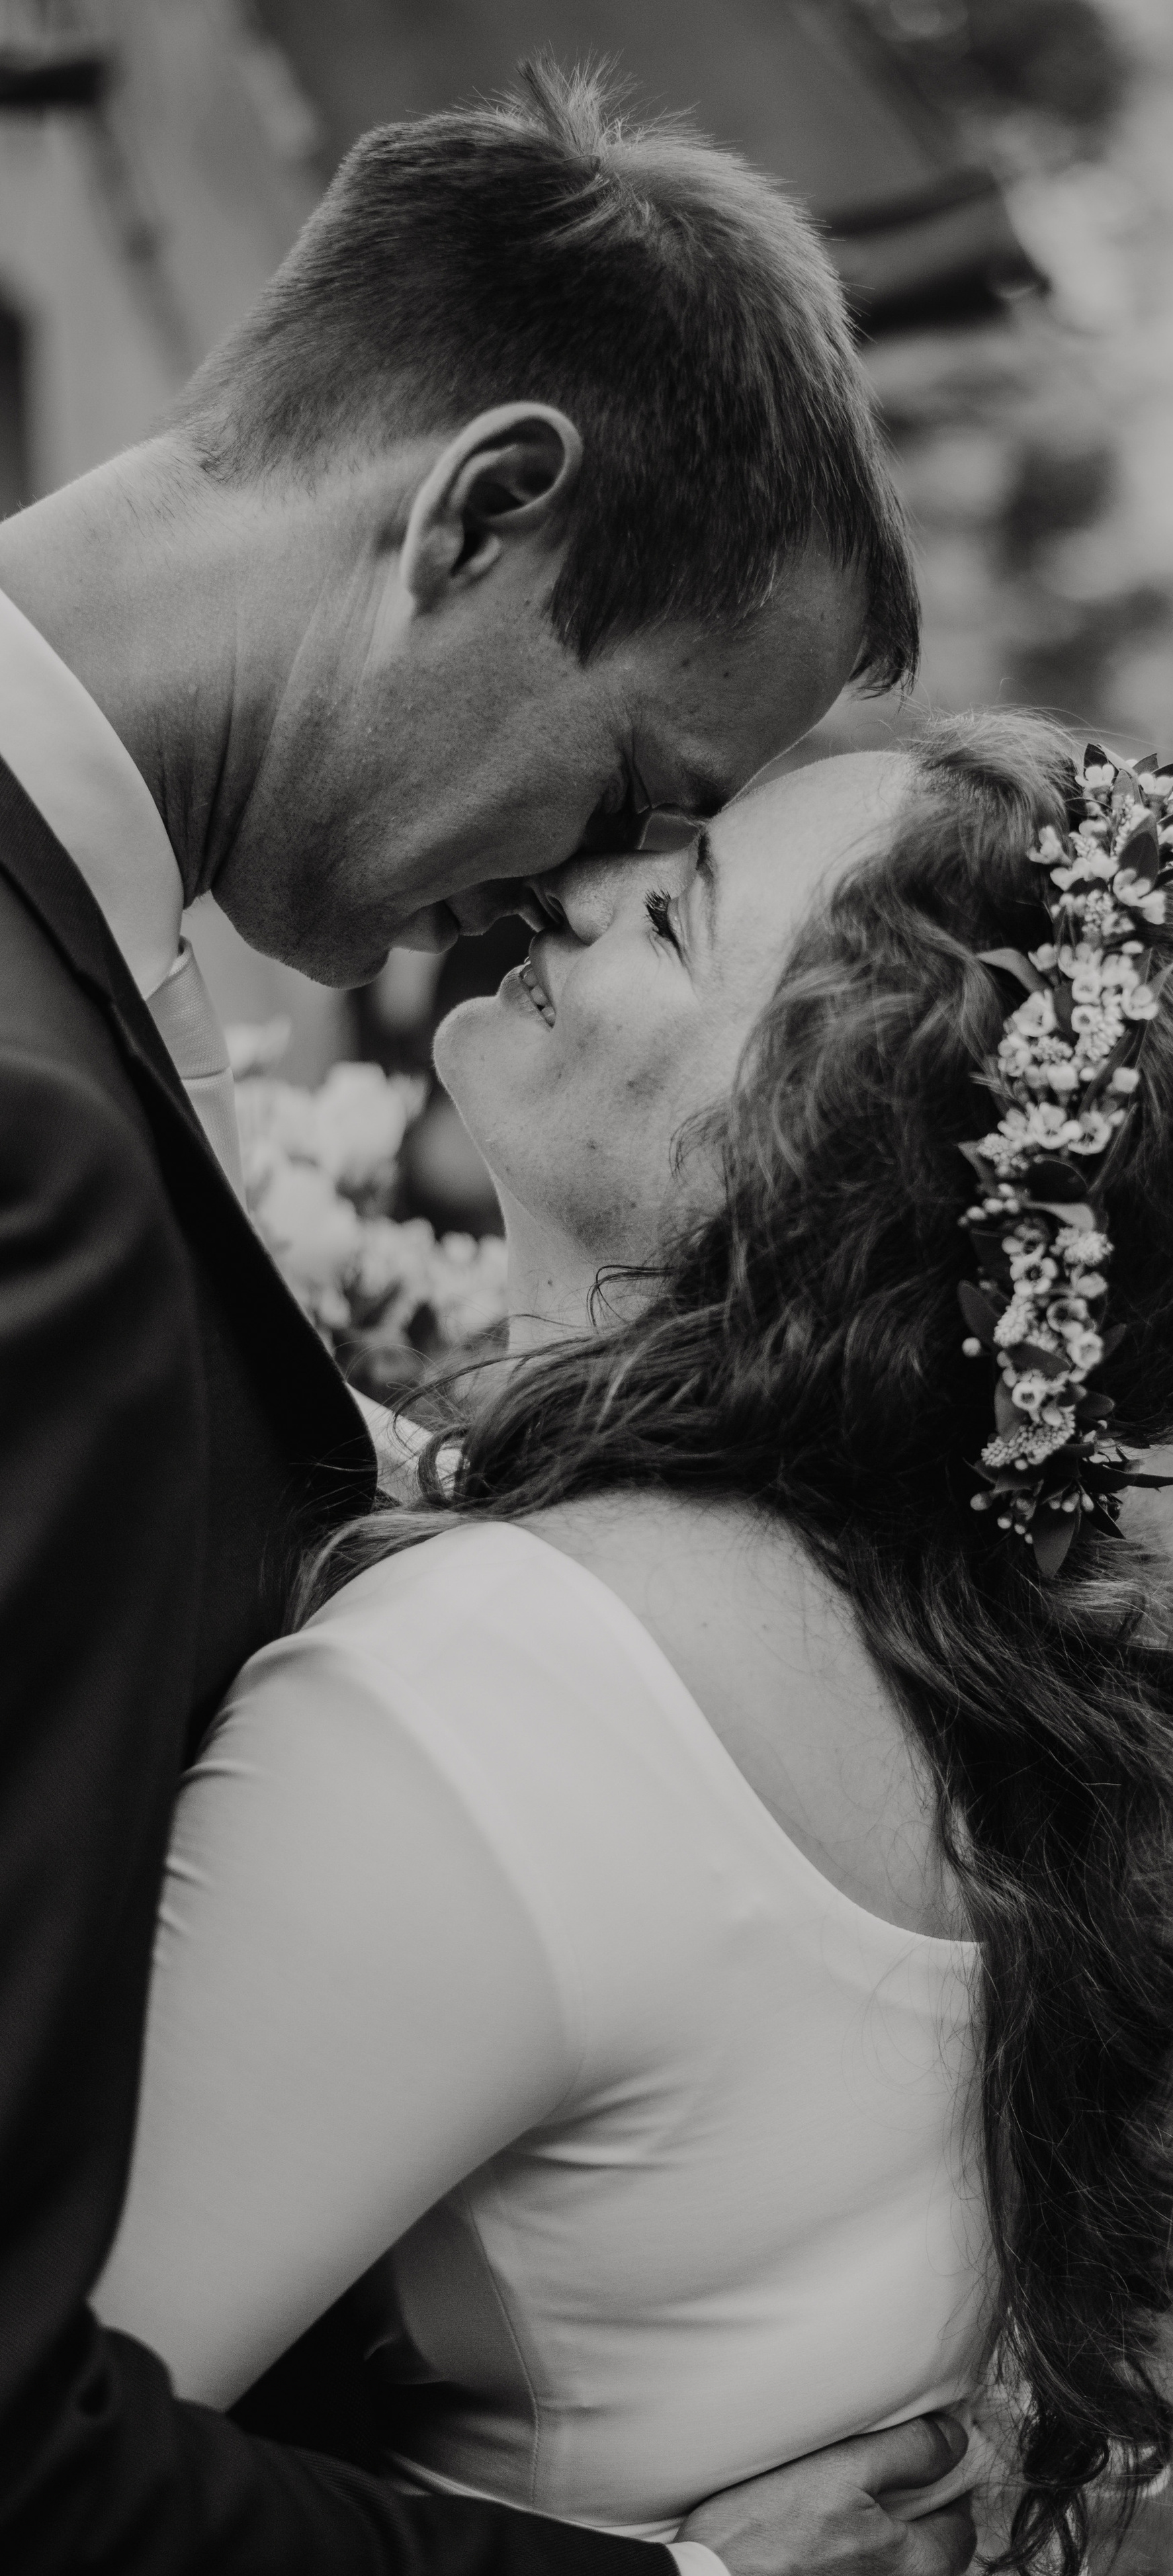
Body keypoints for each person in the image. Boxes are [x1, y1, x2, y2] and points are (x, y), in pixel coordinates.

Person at [0, 62, 968, 2576]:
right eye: (636, 779)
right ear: (480, 506)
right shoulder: (29, 1151)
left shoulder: (84, 1000)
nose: (582, 894)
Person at [93, 716, 1173, 2575]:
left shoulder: (503, 1681)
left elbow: (44, 2452)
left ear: (808, 1165)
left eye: (677, 912)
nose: (571, 881)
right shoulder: (972, 1686)